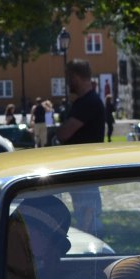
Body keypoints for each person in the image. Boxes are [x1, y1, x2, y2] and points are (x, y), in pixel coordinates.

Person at [54, 59, 106, 232]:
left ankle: (92, 244)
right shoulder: (84, 102)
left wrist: (57, 131)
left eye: (69, 77)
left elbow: (64, 133)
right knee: (84, 215)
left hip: (86, 170)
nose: (68, 83)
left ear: (75, 77)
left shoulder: (88, 103)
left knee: (88, 219)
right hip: (82, 169)